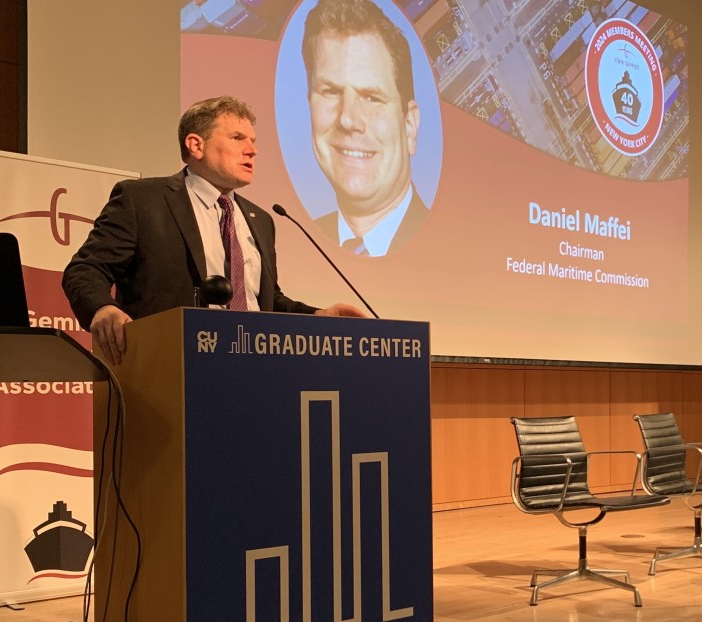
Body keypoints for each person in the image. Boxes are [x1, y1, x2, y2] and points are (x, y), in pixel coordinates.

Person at [62, 96, 365, 365]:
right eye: (237, 138)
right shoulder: (142, 201)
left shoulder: (259, 219)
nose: (253, 150)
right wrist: (102, 308)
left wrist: (318, 318)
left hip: (256, 367)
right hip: (171, 366)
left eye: (253, 140)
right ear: (196, 145)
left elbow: (266, 301)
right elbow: (85, 270)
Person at [302, 0, 428, 257]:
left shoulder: (455, 253)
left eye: (371, 97)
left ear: (410, 126)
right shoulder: (298, 245)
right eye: (331, 92)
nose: (348, 119)